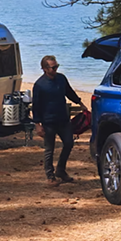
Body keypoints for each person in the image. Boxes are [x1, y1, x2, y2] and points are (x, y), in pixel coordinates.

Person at [33, 55, 88, 187]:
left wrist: (80, 103)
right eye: (53, 67)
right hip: (48, 122)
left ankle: (61, 171)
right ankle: (50, 176)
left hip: (63, 119)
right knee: (49, 149)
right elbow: (36, 106)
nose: (56, 69)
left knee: (69, 144)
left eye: (57, 66)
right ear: (45, 69)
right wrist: (37, 125)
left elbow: (69, 92)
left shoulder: (61, 79)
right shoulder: (39, 85)